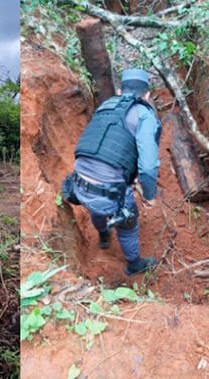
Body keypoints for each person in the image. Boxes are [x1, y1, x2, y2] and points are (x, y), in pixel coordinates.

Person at [62, 69, 162, 276]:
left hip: (78, 185)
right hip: (109, 192)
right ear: (147, 95)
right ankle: (134, 264)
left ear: (119, 91)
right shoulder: (145, 115)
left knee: (97, 207)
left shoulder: (105, 106)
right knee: (128, 226)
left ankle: (103, 235)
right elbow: (149, 166)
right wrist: (150, 196)